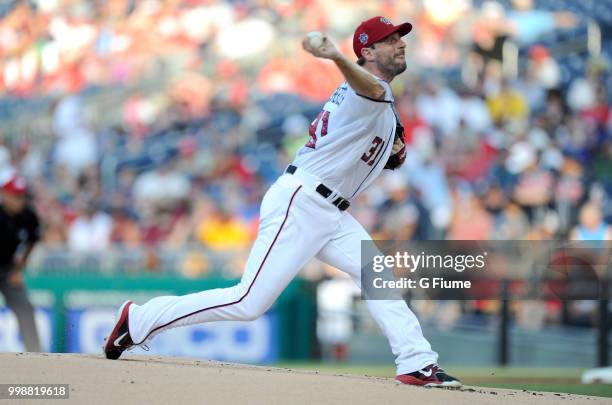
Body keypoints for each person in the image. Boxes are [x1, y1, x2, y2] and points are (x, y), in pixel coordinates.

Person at [104, 16, 461, 388]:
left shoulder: (378, 101)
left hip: (329, 209)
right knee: (247, 302)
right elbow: (368, 87)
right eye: (390, 40)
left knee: (376, 272)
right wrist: (337, 57)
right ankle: (139, 320)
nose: (401, 43)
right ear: (367, 51)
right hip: (303, 201)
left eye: (400, 38)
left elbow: (378, 138)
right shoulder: (368, 90)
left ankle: (417, 362)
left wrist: (390, 149)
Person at [0, 173, 41, 352]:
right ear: (4, 194)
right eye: (16, 196)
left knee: (25, 307)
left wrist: (19, 268)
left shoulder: (28, 216)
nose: (20, 200)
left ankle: (36, 353)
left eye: (22, 196)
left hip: (8, 270)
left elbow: (32, 242)